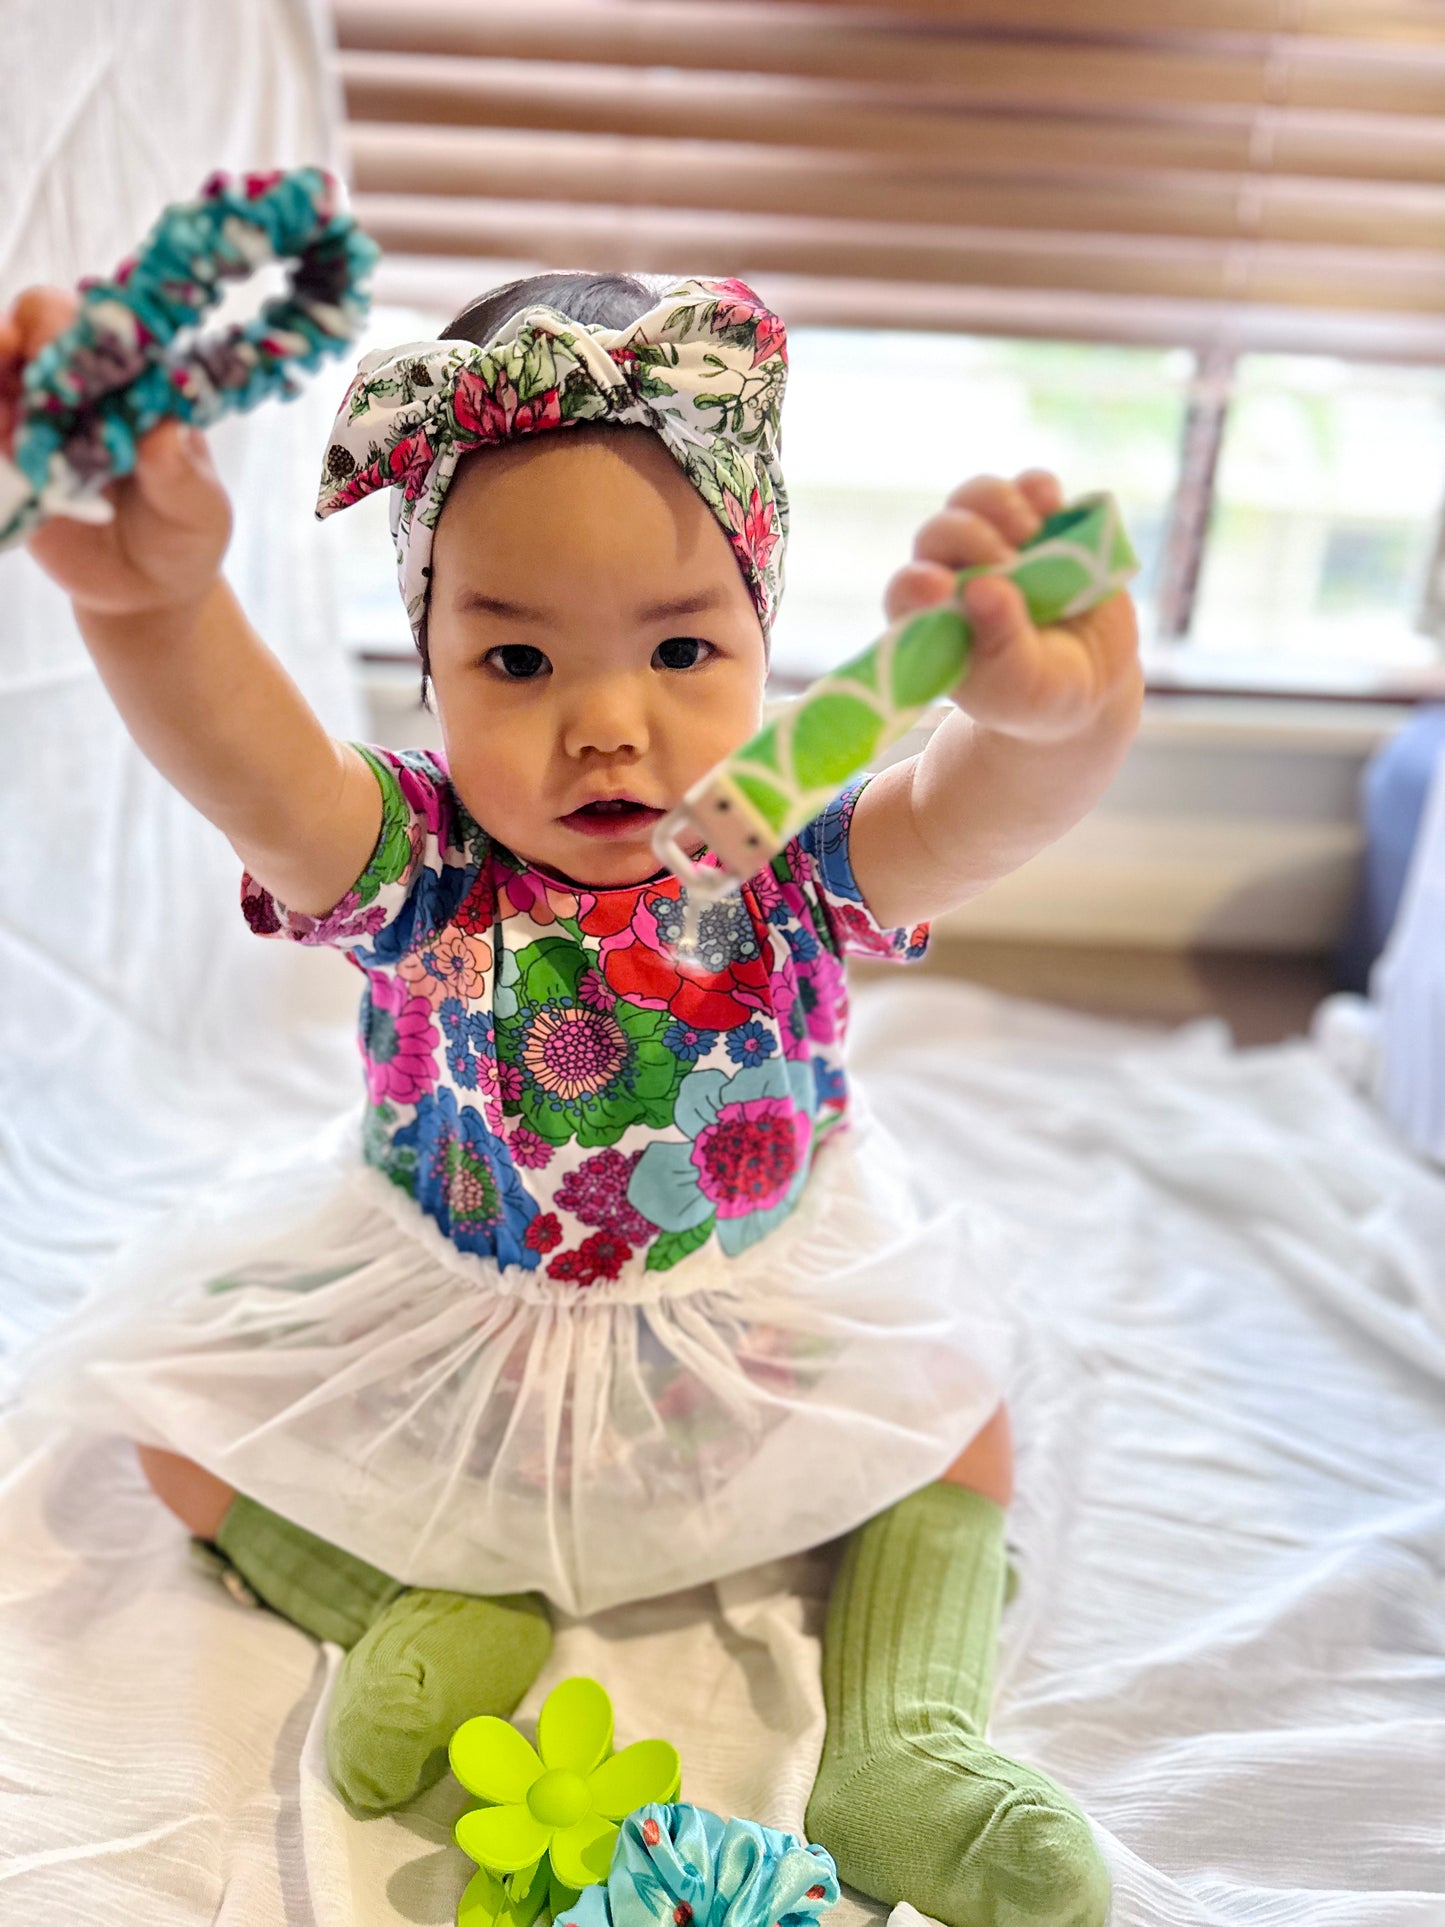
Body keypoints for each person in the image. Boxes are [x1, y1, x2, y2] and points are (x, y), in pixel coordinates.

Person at [2, 268, 1140, 1927]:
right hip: (471, 1325)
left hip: (741, 1321)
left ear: (765, 632)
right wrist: (155, 609)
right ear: (433, 669)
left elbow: (972, 816)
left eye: (682, 647)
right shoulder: (420, 867)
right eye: (518, 659)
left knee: (961, 1428)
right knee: (169, 1423)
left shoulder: (794, 852)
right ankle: (391, 1598)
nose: (609, 728)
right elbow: (258, 772)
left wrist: (1056, 729)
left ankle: (902, 1741)